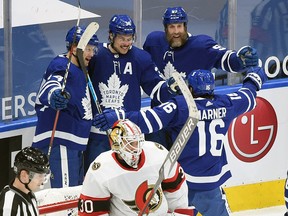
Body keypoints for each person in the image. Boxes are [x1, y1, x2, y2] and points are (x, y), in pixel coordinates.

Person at [93, 66, 267, 216]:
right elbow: (248, 96)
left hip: (181, 182)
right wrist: (254, 78)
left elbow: (148, 120)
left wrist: (118, 116)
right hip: (211, 183)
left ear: (189, 88)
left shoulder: (181, 106)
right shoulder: (227, 103)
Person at [143, 6, 260, 149]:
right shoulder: (153, 42)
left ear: (185, 26)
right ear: (165, 28)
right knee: (154, 163)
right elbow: (145, 70)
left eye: (179, 26)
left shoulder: (201, 46)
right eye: (171, 27)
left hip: (187, 122)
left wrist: (240, 60)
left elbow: (225, 58)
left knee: (184, 167)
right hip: (160, 118)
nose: (176, 32)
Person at [85, 14, 179, 173]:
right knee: (96, 178)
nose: (127, 43)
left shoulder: (141, 58)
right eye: (122, 38)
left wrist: (168, 88)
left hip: (128, 135)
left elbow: (156, 88)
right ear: (111, 35)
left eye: (130, 38)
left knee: (128, 179)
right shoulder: (96, 54)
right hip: (98, 133)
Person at [79, 119, 193, 216]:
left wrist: (179, 213)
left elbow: (176, 189)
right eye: (131, 143)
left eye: (138, 142)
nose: (136, 148)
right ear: (117, 144)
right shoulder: (101, 169)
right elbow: (92, 211)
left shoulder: (157, 153)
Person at [32, 25, 99, 188]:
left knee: (75, 192)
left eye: (93, 50)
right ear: (75, 48)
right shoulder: (62, 65)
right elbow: (52, 84)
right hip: (61, 140)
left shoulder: (80, 68)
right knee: (65, 194)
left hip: (73, 141)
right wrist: (54, 95)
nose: (91, 54)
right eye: (88, 49)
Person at [0, 147, 50, 216]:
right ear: (24, 175)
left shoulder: (28, 193)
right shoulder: (9, 206)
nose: (42, 180)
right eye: (39, 176)